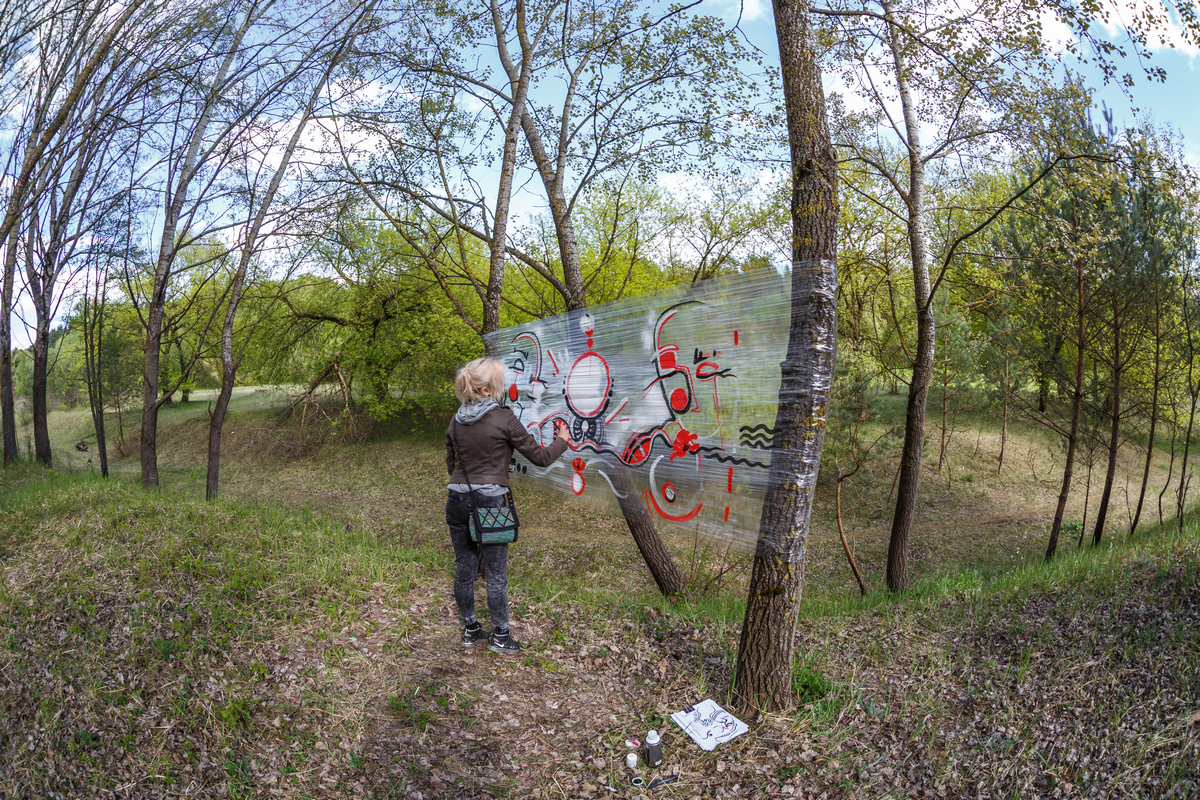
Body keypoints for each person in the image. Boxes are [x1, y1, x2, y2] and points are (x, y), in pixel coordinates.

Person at [445, 357, 570, 654]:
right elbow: (539, 457)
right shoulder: (504, 417)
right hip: (489, 502)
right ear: (489, 388)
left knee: (465, 567)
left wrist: (498, 465)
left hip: (456, 500)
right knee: (496, 573)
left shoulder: (455, 419)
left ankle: (471, 629)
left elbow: (453, 464)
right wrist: (562, 441)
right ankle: (501, 636)